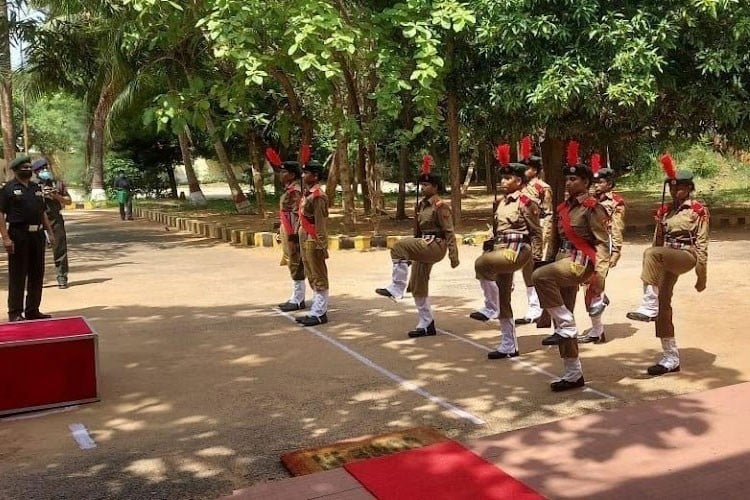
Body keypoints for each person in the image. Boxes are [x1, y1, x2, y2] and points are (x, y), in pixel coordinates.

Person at [531, 141, 610, 391]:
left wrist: (600, 275)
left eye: (574, 179)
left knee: (540, 277)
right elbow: (554, 240)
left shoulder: (592, 208)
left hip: (580, 262)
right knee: (561, 316)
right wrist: (548, 257)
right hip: (562, 262)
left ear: (586, 182)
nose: (568, 183)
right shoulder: (563, 208)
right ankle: (573, 373)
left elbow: (602, 243)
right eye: (567, 179)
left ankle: (566, 326)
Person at [626, 157, 708, 376]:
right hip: (665, 256)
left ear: (689, 188)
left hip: (686, 255)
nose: (675, 191)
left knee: (651, 254)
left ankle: (647, 306)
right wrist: (654, 262)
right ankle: (670, 357)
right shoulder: (664, 211)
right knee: (664, 304)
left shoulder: (698, 210)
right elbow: (657, 243)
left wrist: (702, 276)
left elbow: (702, 244)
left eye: (680, 187)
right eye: (672, 186)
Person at [376, 155, 459, 338]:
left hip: (436, 246)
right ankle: (426, 323)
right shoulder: (420, 205)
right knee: (418, 285)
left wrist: (454, 256)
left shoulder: (440, 206)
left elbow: (449, 232)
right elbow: (417, 233)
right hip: (423, 245)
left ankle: (397, 288)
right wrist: (411, 254)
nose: (423, 188)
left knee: (397, 246)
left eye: (426, 185)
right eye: (421, 185)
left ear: (435, 187)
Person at [473, 145, 542, 358]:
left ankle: (490, 308)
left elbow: (536, 231)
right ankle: (509, 345)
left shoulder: (525, 203)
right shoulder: (501, 203)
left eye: (508, 179)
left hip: (519, 249)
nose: (503, 182)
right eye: (502, 179)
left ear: (519, 181)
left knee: (481, 264)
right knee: (505, 297)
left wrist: (537, 259)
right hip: (502, 248)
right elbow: (498, 230)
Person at [0, 156, 56, 322]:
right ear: (16, 170)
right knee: (18, 274)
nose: (27, 170)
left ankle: (33, 309)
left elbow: (42, 212)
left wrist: (50, 232)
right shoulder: (8, 189)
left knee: (37, 273)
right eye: (24, 167)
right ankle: (15, 312)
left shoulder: (36, 188)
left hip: (37, 235)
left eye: (29, 167)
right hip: (18, 234)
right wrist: (5, 238)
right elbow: (1, 214)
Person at [578, 156, 625, 344]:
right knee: (587, 287)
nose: (596, 185)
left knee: (595, 283)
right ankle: (597, 330)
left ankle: (597, 326)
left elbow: (617, 227)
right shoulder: (588, 200)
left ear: (610, 183)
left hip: (603, 246)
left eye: (601, 182)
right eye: (594, 182)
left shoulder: (616, 203)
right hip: (586, 246)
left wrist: (616, 251)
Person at [516, 136, 552, 325]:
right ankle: (533, 306)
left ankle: (541, 308)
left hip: (538, 231)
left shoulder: (542, 188)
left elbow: (548, 214)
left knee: (537, 269)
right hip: (523, 232)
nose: (524, 171)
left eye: (528, 168)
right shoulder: (520, 187)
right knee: (526, 270)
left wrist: (542, 239)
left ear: (535, 170)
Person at [295, 160, 330, 327]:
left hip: (313, 238)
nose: (303, 176)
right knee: (311, 272)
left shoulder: (318, 196)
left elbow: (320, 223)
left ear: (315, 176)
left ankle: (320, 312)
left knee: (319, 274)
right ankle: (316, 309)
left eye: (306, 173)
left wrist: (321, 244)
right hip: (305, 236)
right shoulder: (307, 194)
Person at [32, 158, 72, 289]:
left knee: (60, 249)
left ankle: (62, 277)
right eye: (41, 169)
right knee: (36, 252)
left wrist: (56, 196)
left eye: (46, 167)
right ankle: (36, 280)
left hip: (55, 220)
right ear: (36, 172)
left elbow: (68, 201)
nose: (44, 170)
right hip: (38, 222)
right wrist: (41, 196)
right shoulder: (32, 185)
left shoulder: (58, 183)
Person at [275, 158, 306, 312]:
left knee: (296, 262)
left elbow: (297, 215)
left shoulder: (295, 192)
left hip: (292, 231)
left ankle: (298, 299)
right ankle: (296, 296)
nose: (281, 174)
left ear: (292, 175)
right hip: (287, 229)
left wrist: (293, 236)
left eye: (284, 171)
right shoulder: (290, 189)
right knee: (291, 262)